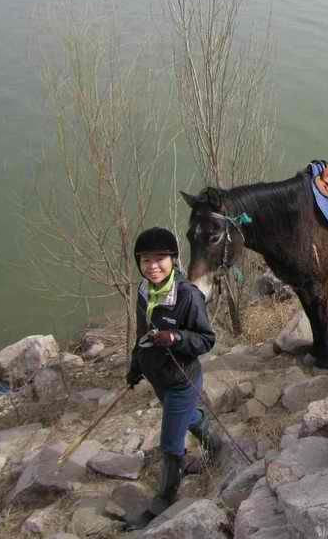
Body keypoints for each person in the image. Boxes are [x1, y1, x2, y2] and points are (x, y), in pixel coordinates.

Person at [124, 227, 217, 530]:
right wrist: (136, 365)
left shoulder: (187, 295)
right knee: (188, 417)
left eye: (160, 258)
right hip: (158, 378)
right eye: (145, 259)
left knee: (170, 443)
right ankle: (213, 443)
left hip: (181, 380)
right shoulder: (143, 291)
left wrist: (176, 337)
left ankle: (164, 498)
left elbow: (205, 339)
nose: (152, 266)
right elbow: (142, 336)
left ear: (174, 259)